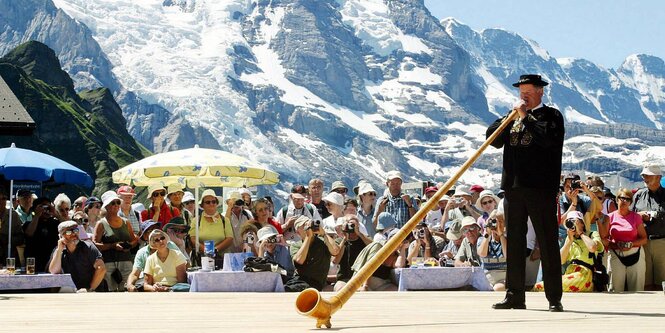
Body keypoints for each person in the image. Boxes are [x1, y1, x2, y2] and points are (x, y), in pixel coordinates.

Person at [487, 74, 565, 312]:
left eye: (528, 93)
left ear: (540, 92)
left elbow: (546, 140)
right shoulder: (513, 117)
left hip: (540, 188)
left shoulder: (551, 116)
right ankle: (514, 295)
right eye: (521, 94)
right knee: (515, 243)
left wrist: (524, 116)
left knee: (547, 241)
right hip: (513, 188)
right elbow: (492, 138)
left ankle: (554, 297)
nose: (524, 97)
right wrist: (509, 117)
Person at [534, 211, 604, 292]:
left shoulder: (592, 234)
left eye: (575, 221)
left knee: (547, 286)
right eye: (569, 222)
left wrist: (581, 233)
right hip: (570, 273)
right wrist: (569, 242)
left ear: (582, 223)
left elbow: (592, 247)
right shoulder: (570, 239)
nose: (572, 224)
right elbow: (560, 260)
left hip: (585, 274)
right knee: (540, 286)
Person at [93, 191, 138, 291]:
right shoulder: (101, 224)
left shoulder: (126, 222)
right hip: (109, 264)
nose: (116, 205)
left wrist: (129, 246)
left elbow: (134, 240)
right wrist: (112, 246)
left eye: (118, 202)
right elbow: (95, 244)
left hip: (126, 262)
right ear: (107, 206)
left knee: (128, 289)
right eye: (113, 203)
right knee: (110, 291)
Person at [630, 164, 665, 290]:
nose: (645, 178)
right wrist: (639, 215)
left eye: (648, 175)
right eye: (644, 176)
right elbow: (630, 215)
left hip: (662, 242)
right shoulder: (639, 195)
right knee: (645, 279)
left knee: (662, 280)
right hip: (643, 242)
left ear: (658, 177)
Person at [606, 188, 648, 292]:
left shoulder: (636, 217)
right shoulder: (609, 217)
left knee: (637, 288)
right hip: (616, 253)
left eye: (628, 199)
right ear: (617, 199)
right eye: (622, 198)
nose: (624, 201)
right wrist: (616, 245)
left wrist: (631, 244)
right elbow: (605, 238)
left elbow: (644, 239)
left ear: (630, 202)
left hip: (635, 253)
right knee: (615, 289)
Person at [48, 221, 106, 292]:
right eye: (68, 232)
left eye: (76, 230)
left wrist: (89, 289)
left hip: (92, 291)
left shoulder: (88, 247)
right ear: (61, 236)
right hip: (73, 291)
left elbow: (101, 268)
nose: (73, 234)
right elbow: (54, 271)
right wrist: (59, 250)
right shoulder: (59, 250)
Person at [287, 216, 340, 292]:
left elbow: (335, 251)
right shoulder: (296, 245)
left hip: (316, 283)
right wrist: (308, 238)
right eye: (304, 226)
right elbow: (299, 261)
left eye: (308, 224)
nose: (308, 227)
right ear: (298, 232)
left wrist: (324, 233)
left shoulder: (323, 241)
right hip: (300, 280)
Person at [126, 220, 181, 292]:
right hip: (150, 287)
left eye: (156, 229)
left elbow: (185, 264)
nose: (154, 232)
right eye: (150, 231)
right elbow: (135, 273)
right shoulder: (141, 252)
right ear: (145, 237)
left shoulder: (170, 245)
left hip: (172, 286)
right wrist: (130, 285)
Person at [332, 214, 373, 291]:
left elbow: (374, 247)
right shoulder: (339, 241)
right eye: (348, 223)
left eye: (353, 224)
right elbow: (335, 261)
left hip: (361, 279)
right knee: (341, 289)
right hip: (344, 279)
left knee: (364, 291)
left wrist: (359, 233)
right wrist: (345, 238)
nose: (351, 226)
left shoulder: (364, 239)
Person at [194, 189, 234, 259]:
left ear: (217, 203)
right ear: (202, 205)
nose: (211, 204)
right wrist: (208, 251)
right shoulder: (196, 221)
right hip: (202, 259)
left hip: (222, 259)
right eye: (208, 202)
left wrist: (215, 250)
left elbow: (229, 239)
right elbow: (193, 239)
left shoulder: (225, 220)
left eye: (213, 201)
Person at [23, 197, 60, 272]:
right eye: (43, 207)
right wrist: (37, 215)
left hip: (52, 261)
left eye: (48, 207)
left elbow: (70, 228)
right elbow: (29, 233)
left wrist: (56, 214)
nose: (46, 210)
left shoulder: (55, 223)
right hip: (34, 262)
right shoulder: (29, 223)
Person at [478, 210, 508, 291]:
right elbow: (482, 254)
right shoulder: (483, 239)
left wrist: (501, 235)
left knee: (497, 288)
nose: (496, 224)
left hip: (503, 281)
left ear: (505, 224)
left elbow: (509, 256)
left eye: (500, 221)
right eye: (494, 221)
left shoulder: (509, 240)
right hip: (485, 281)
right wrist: (487, 233)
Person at [1, 191, 24, 265]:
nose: (1, 201)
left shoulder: (13, 215)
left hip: (9, 257)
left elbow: (21, 238)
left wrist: (7, 239)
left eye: (3, 198)